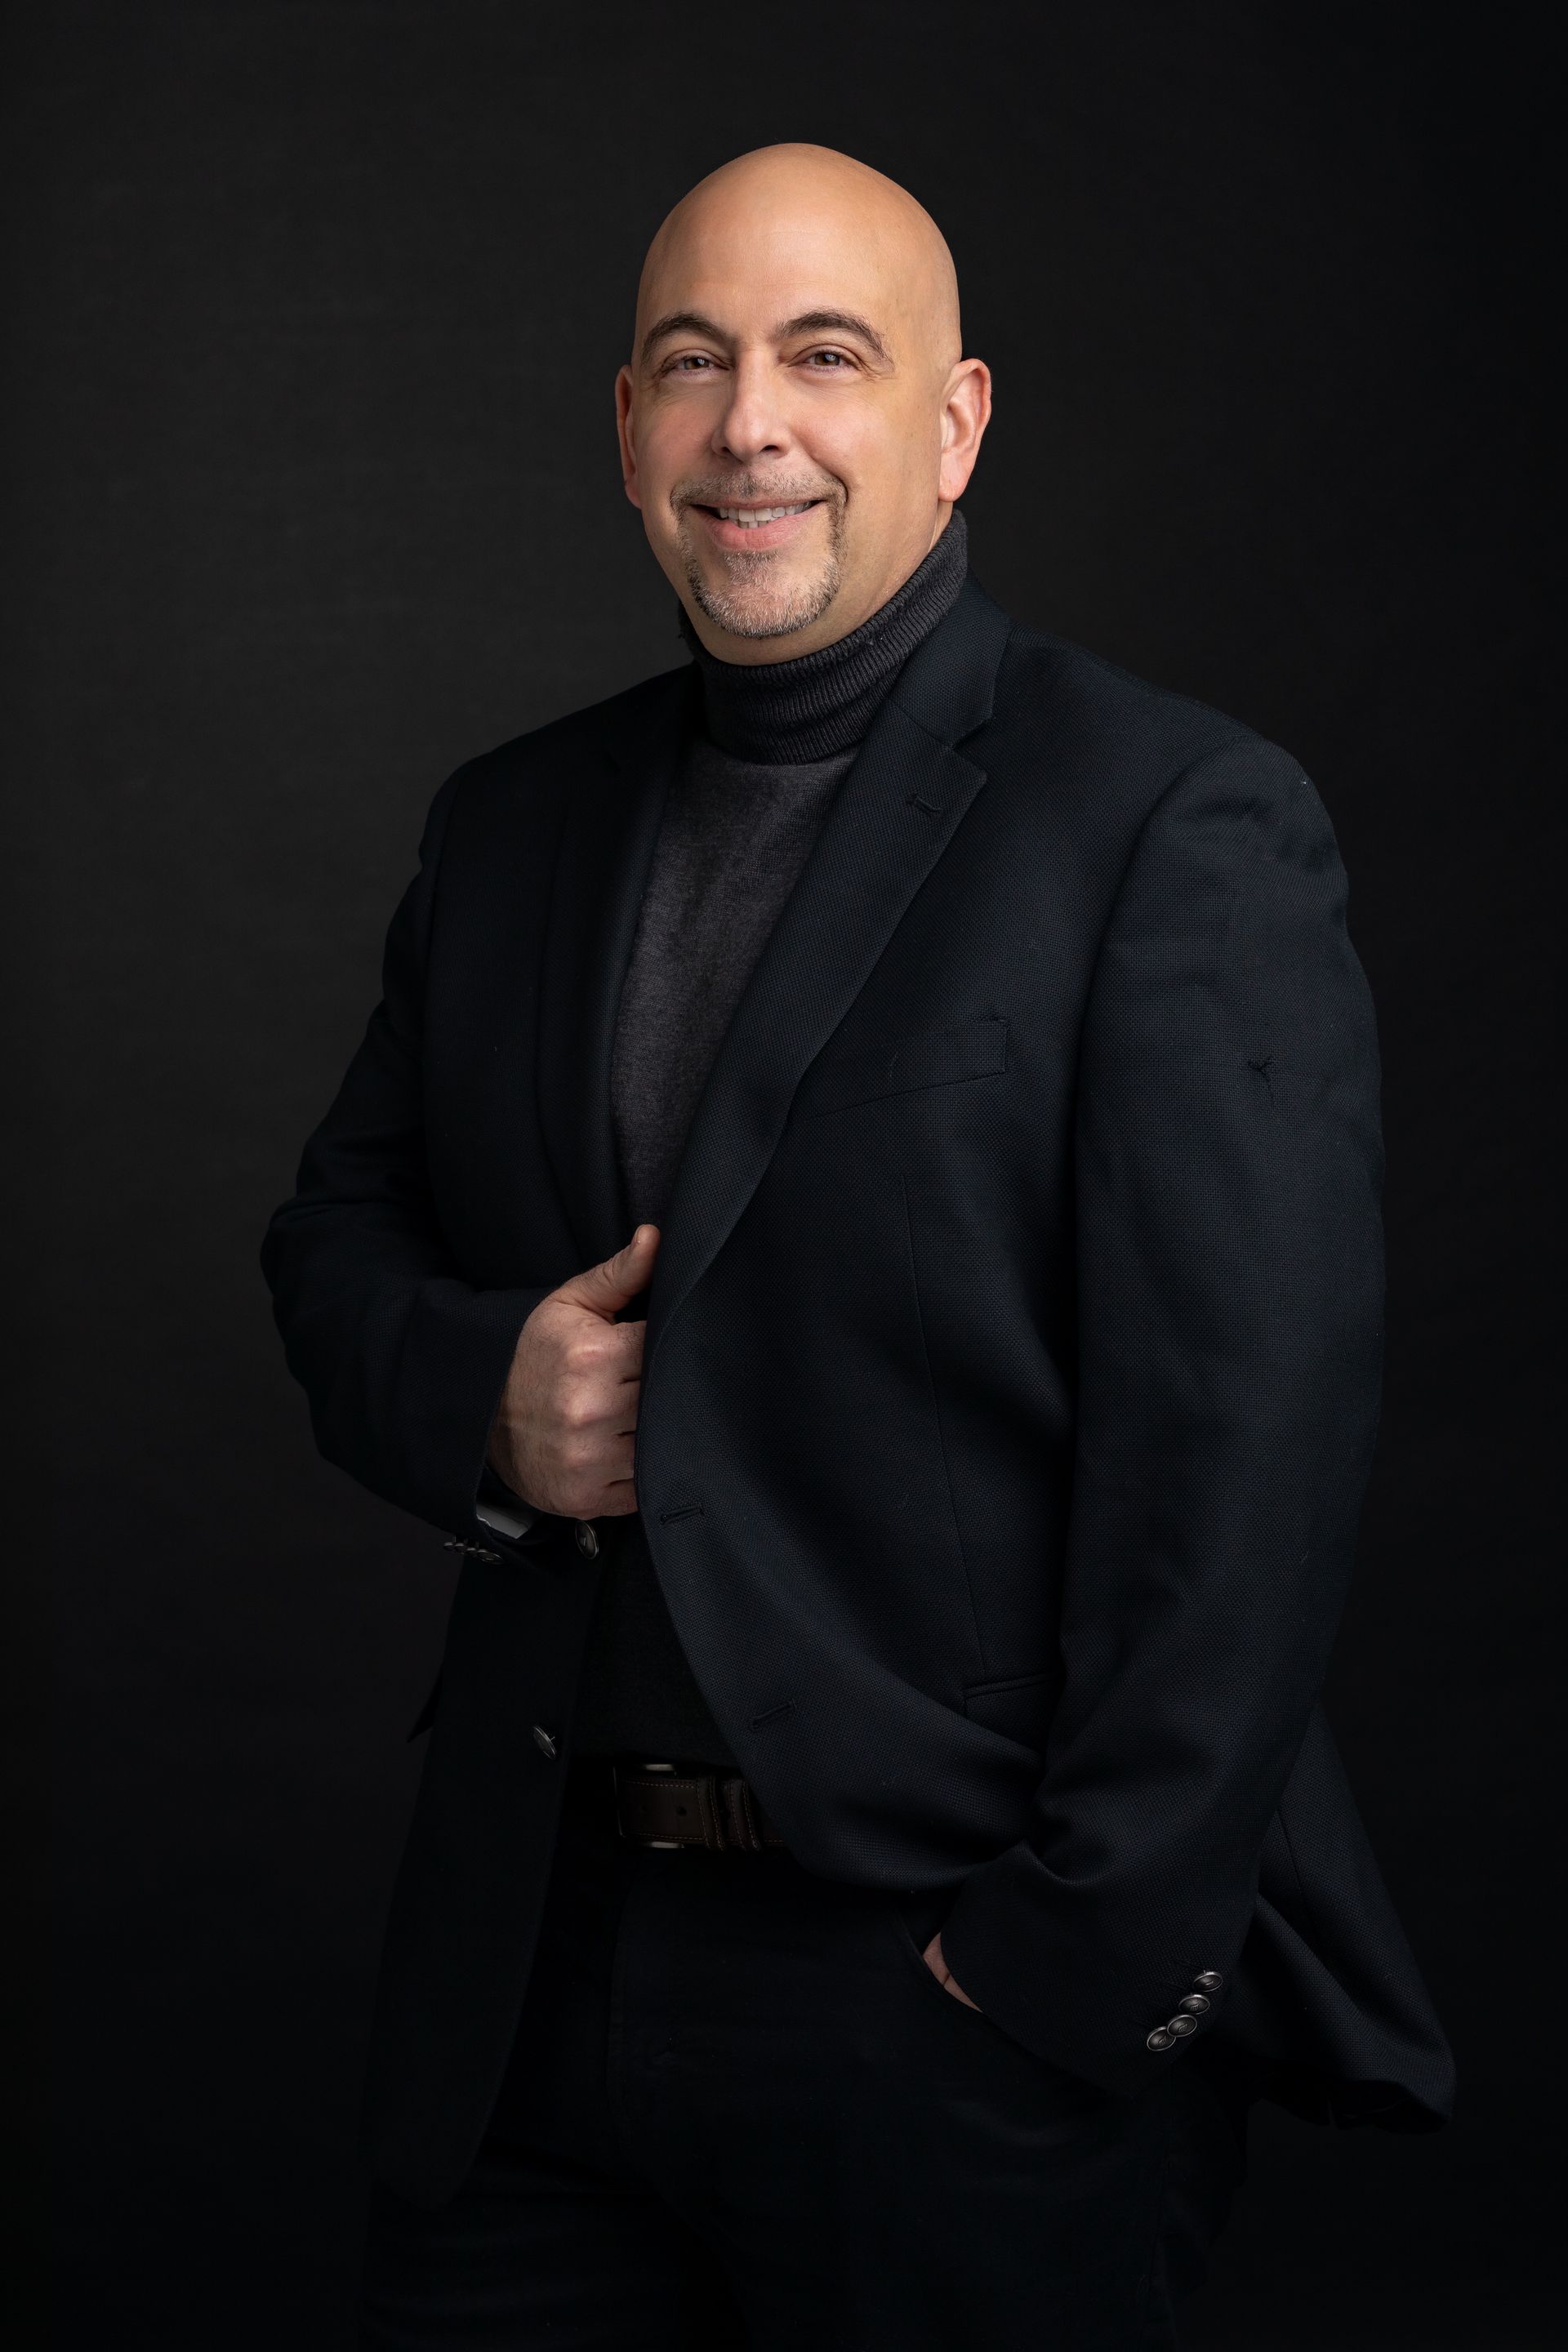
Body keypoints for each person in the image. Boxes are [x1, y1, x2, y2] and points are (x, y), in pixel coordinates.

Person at [261, 143, 1454, 2350]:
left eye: (828, 357)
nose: (754, 428)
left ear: (955, 419)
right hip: (528, 1984)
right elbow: (334, 1237)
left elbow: (1248, 1457)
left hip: (943, 2010)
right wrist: (491, 1402)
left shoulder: (1171, 824)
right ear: (625, 425)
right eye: (695, 366)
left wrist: (1061, 1969)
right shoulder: (511, 823)